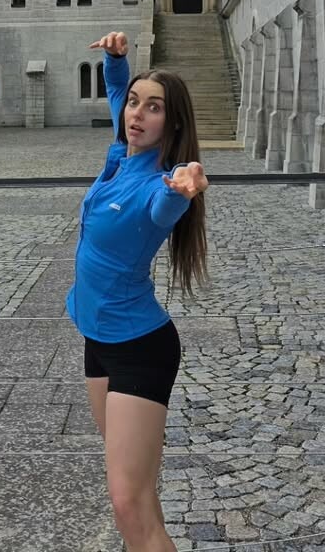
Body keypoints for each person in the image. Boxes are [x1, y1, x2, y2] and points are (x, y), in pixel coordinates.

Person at [66, 30, 209, 552]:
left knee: (127, 503)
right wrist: (116, 60)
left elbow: (165, 207)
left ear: (172, 123)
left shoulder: (157, 184)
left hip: (139, 349)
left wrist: (184, 190)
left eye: (154, 108)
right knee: (138, 498)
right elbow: (116, 91)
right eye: (134, 103)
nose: (137, 114)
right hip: (99, 341)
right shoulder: (123, 155)